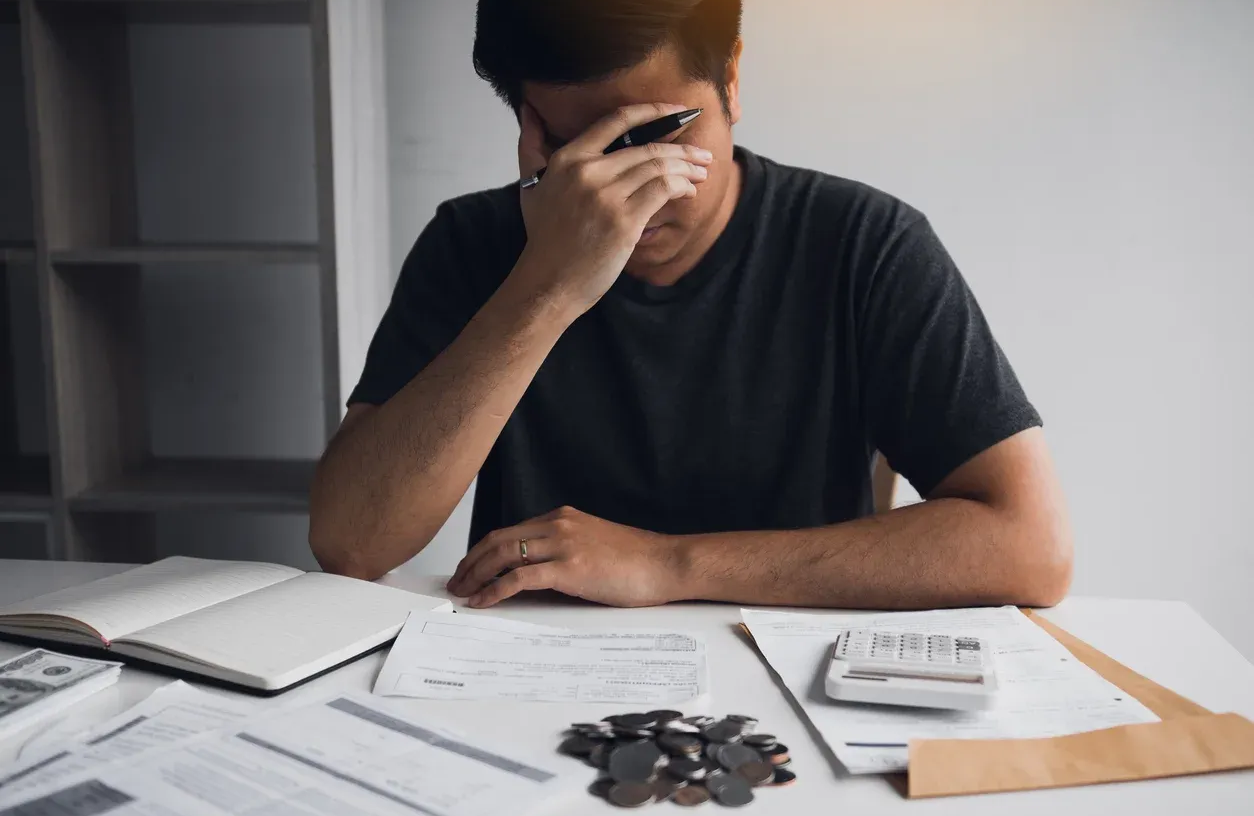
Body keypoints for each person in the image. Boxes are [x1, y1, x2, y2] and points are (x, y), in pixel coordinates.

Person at [309, 0, 1073, 611]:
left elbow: (1030, 546)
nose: (629, 195)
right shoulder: (472, 244)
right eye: (584, 151)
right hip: (535, 689)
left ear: (731, 80)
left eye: (660, 135)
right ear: (528, 128)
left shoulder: (865, 245)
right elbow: (352, 543)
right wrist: (546, 288)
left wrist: (666, 563)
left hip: (788, 691)